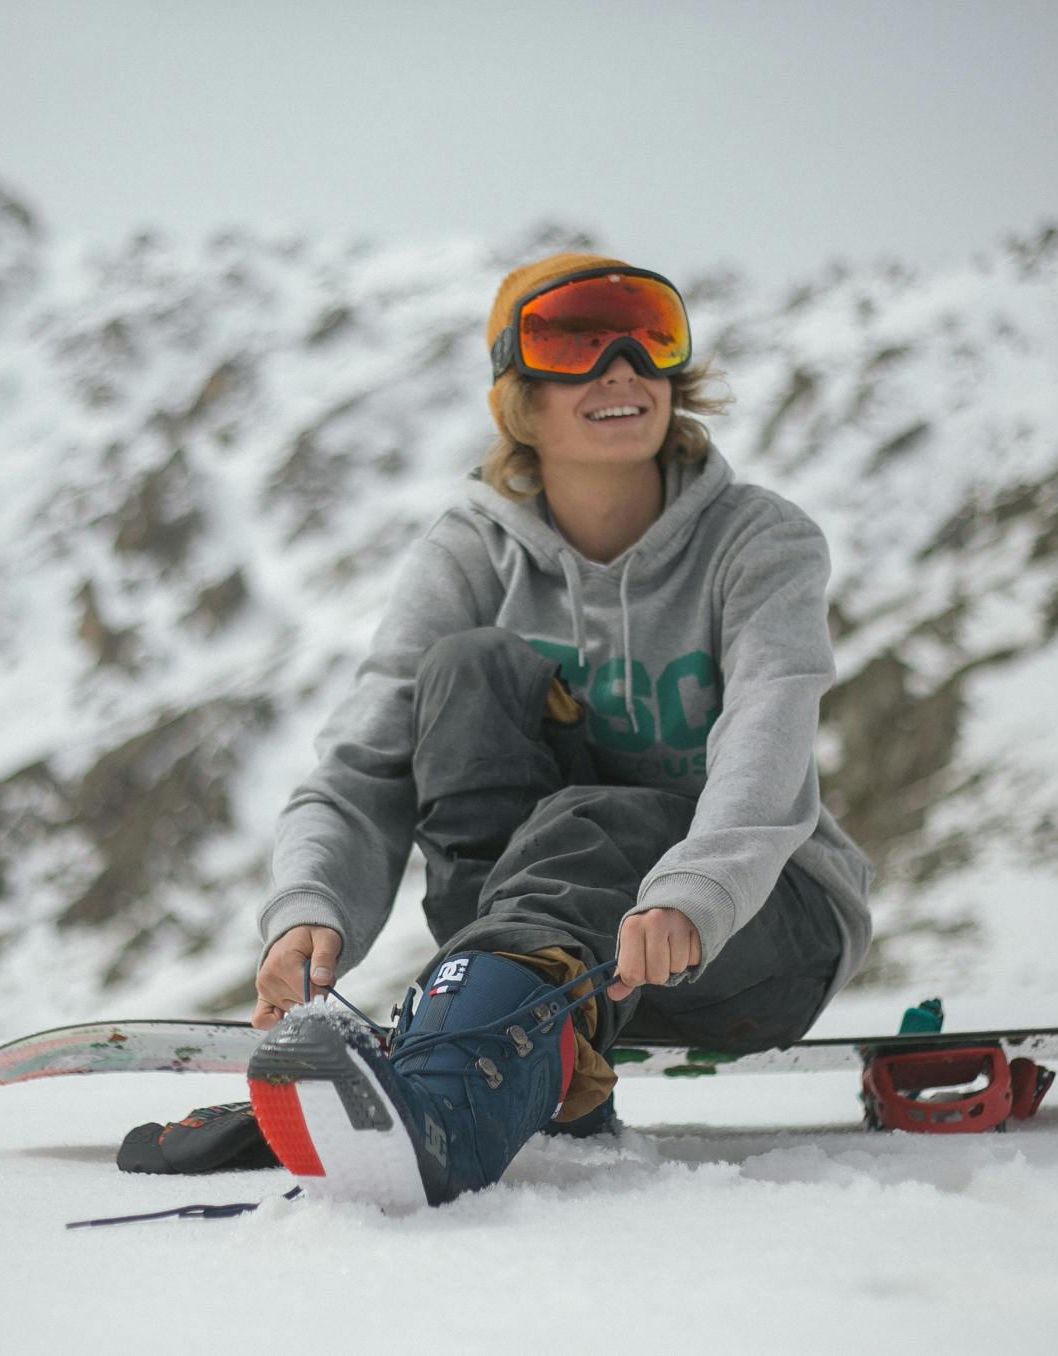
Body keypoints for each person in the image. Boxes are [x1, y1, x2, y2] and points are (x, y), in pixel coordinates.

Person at [242, 253, 873, 1209]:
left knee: (602, 816)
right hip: (560, 963)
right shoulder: (473, 550)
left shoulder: (759, 542)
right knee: (468, 670)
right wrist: (309, 905)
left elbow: (768, 740)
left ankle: (455, 1108)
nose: (620, 368)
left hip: (752, 931)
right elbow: (365, 759)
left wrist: (693, 892)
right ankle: (496, 1040)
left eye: (649, 337)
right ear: (519, 399)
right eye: (575, 343)